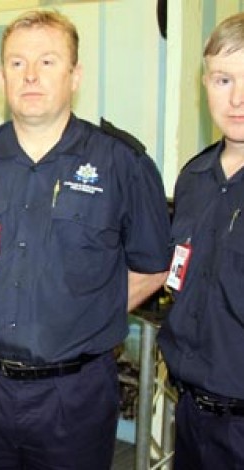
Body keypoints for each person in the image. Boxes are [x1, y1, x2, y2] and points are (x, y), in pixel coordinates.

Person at [0, 10, 171, 469]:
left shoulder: (123, 163)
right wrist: (0, 304)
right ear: (2, 77)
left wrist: (77, 316)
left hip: (75, 394)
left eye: (48, 61)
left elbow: (151, 267)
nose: (31, 76)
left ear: (75, 75)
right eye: (18, 64)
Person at [157, 12, 244, 469]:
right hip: (191, 413)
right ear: (205, 84)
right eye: (223, 79)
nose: (238, 98)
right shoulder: (193, 178)